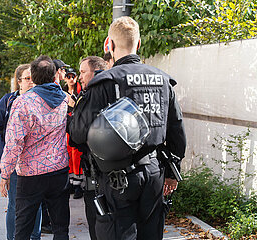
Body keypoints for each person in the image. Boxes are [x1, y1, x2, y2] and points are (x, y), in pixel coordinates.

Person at [68, 16, 186, 240]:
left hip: (117, 179)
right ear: (139, 44)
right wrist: (172, 172)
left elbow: (77, 134)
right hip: (153, 174)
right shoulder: (162, 81)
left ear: (109, 45)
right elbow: (177, 131)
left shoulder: (105, 82)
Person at [0, 55, 70, 240]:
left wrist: (5, 173)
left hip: (31, 175)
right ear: (54, 75)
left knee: (22, 228)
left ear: (34, 76)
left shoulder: (23, 102)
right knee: (61, 227)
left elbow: (14, 142)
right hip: (59, 170)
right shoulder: (65, 99)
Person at [0, 64, 42, 240]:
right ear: (18, 81)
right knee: (14, 205)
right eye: (27, 79)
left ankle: (35, 237)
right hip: (14, 163)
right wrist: (5, 153)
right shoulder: (8, 101)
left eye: (33, 79)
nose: (31, 82)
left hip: (36, 163)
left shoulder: (41, 101)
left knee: (37, 205)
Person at [68, 56, 107, 240]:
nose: (79, 77)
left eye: (83, 72)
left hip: (96, 172)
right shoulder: (115, 89)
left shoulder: (90, 95)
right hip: (118, 172)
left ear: (96, 72)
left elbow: (77, 136)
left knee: (97, 222)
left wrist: (71, 118)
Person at [62, 68, 83, 199]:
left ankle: (78, 185)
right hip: (66, 125)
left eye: (73, 77)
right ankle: (71, 182)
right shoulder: (62, 92)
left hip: (75, 125)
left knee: (76, 154)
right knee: (68, 152)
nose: (71, 79)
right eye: (68, 77)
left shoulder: (80, 92)